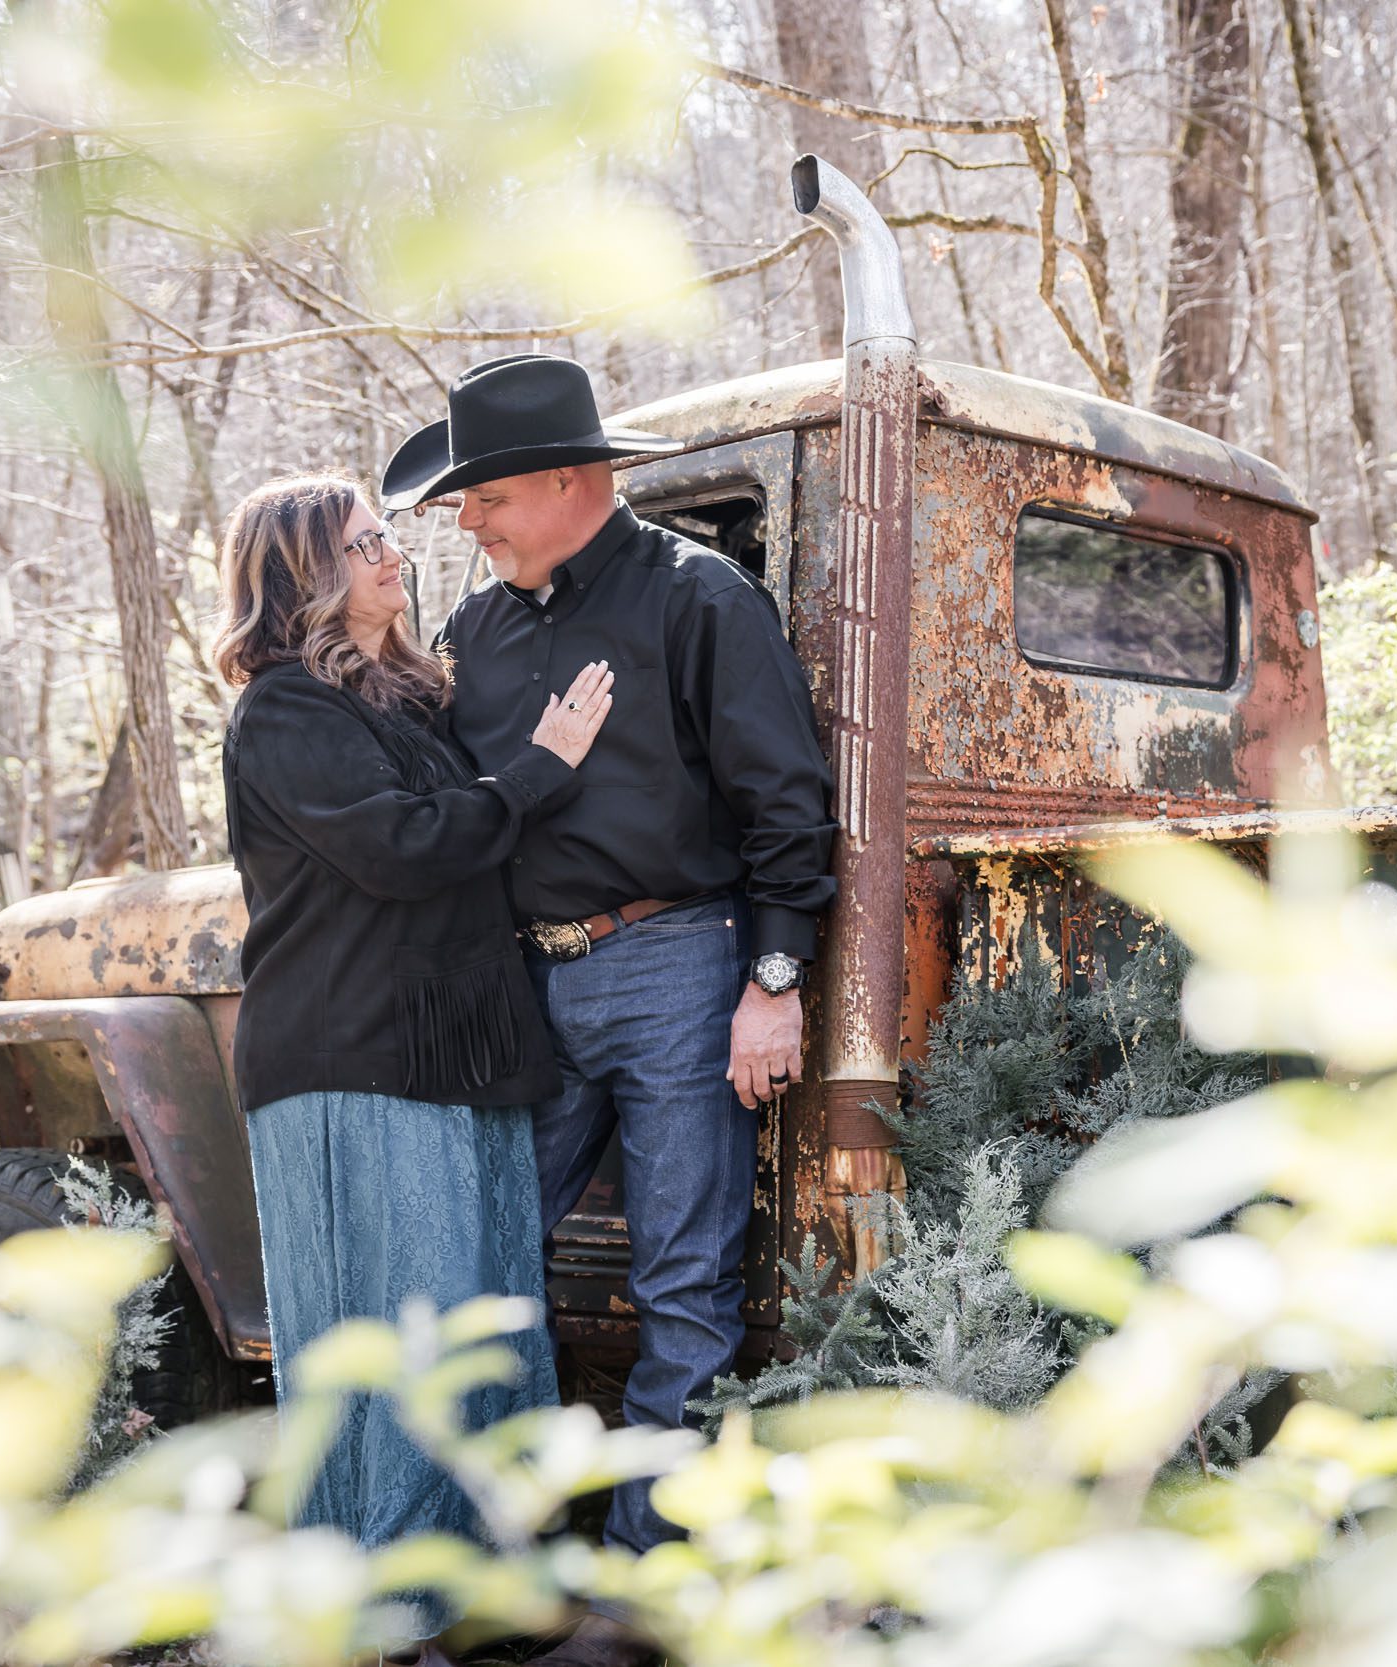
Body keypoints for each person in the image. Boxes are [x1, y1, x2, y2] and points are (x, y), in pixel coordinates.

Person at [384, 356, 837, 1666]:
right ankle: (492, 1566)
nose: (467, 519)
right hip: (525, 979)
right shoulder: (476, 632)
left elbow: (784, 801)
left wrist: (774, 979)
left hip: (678, 964)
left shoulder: (701, 601)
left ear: (574, 480)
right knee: (485, 1262)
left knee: (682, 1278)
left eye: (487, 494)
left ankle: (639, 1597)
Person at [211, 473, 616, 1663]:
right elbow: (402, 849)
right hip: (352, 1060)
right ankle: (385, 1613)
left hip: (457, 1055)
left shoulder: (411, 699)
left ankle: (485, 1594)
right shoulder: (284, 714)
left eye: (387, 536)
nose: (395, 554)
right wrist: (543, 768)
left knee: (486, 1325)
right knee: (392, 1337)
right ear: (304, 575)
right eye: (364, 541)